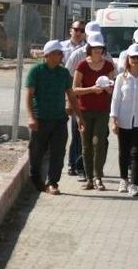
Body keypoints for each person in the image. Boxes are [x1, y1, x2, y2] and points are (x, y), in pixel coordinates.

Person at [26, 40, 78, 195]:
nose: (61, 55)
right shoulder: (36, 71)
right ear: (48, 55)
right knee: (37, 152)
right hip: (40, 119)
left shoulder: (63, 73)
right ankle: (35, 180)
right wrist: (31, 117)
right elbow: (29, 95)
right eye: (58, 53)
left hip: (59, 119)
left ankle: (52, 182)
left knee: (58, 152)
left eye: (61, 53)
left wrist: (80, 117)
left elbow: (71, 96)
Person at [72, 32, 115, 190]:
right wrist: (92, 89)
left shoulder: (109, 65)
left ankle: (98, 177)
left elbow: (112, 87)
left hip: (102, 111)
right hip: (84, 110)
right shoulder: (82, 65)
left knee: (99, 143)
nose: (98, 51)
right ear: (89, 48)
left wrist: (108, 89)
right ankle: (89, 178)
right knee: (86, 145)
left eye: (100, 48)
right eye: (95, 48)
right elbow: (75, 89)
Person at [110, 43, 138, 196]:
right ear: (128, 59)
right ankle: (123, 180)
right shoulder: (121, 78)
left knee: (137, 152)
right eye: (133, 57)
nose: (135, 60)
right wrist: (114, 120)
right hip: (124, 119)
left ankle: (134, 184)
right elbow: (116, 99)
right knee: (124, 152)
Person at [61, 20, 86, 179]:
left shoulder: (88, 49)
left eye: (81, 30)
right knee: (64, 132)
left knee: (78, 132)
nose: (78, 32)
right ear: (70, 30)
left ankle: (76, 164)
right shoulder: (62, 47)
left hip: (77, 94)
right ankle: (70, 163)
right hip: (62, 93)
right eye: (76, 29)